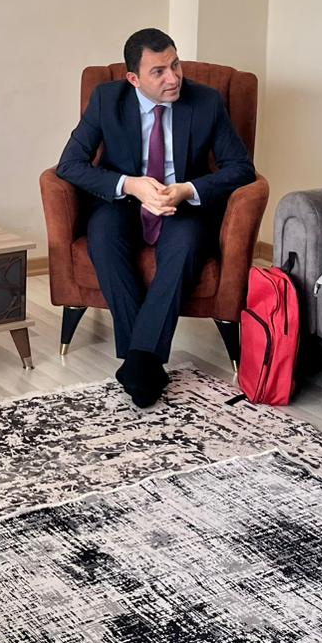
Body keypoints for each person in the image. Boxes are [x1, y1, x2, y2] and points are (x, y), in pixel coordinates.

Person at [55, 28, 256, 407]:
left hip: (182, 204)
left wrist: (187, 189)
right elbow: (70, 164)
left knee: (185, 246)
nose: (173, 78)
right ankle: (145, 359)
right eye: (159, 71)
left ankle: (138, 361)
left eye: (175, 65)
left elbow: (241, 168)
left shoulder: (206, 101)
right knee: (103, 236)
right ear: (133, 79)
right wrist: (129, 185)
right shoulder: (107, 99)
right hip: (124, 202)